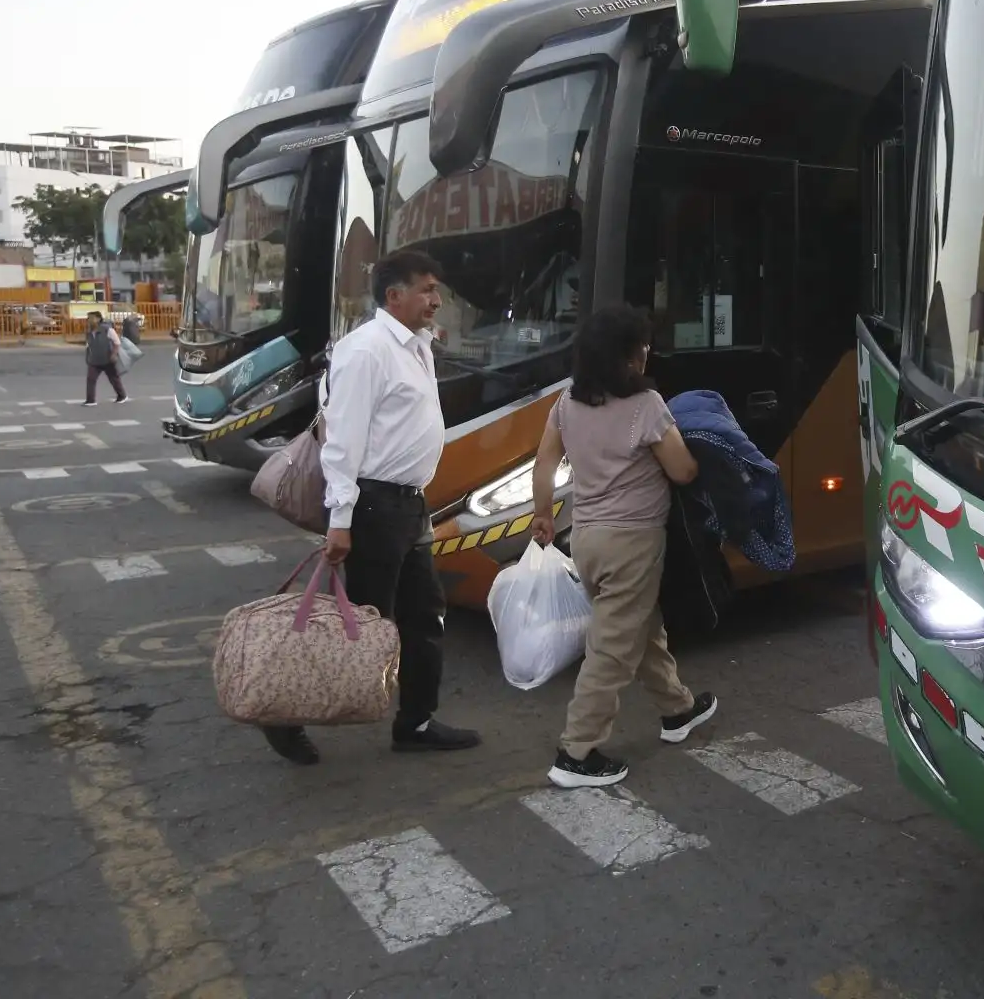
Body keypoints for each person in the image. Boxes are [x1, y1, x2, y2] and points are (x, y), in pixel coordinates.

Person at [259, 250, 481, 765]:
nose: (437, 299)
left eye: (436, 289)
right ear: (394, 296)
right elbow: (342, 441)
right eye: (427, 289)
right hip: (374, 507)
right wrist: (340, 521)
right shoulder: (366, 351)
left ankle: (417, 722)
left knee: (425, 614)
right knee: (355, 623)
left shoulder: (416, 346)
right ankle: (284, 714)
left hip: (409, 506)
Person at [529, 304, 717, 788]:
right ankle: (576, 752)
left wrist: (545, 515)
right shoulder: (646, 406)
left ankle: (677, 709)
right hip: (632, 541)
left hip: (587, 539)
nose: (647, 353)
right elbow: (683, 471)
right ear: (629, 358)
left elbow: (544, 463)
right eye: (642, 346)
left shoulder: (567, 404)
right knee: (611, 649)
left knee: (637, 625)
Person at [83, 311, 130, 406]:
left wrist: (113, 354)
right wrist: (88, 357)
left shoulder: (107, 330)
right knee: (91, 379)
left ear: (98, 319)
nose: (88, 320)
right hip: (94, 360)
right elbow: (88, 345)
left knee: (113, 378)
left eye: (91, 318)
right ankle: (90, 400)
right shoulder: (89, 332)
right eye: (88, 318)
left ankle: (122, 396)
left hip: (107, 359)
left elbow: (117, 342)